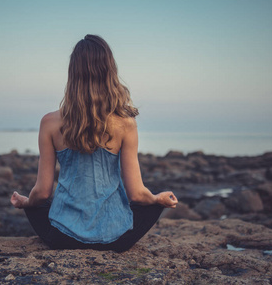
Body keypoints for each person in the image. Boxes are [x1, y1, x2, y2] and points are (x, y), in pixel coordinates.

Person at [11, 34, 178, 252]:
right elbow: (137, 194)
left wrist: (25, 203)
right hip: (117, 241)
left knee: (37, 204)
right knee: (151, 204)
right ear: (109, 72)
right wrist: (157, 198)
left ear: (73, 74)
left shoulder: (49, 122)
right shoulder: (126, 124)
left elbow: (42, 193)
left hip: (63, 238)